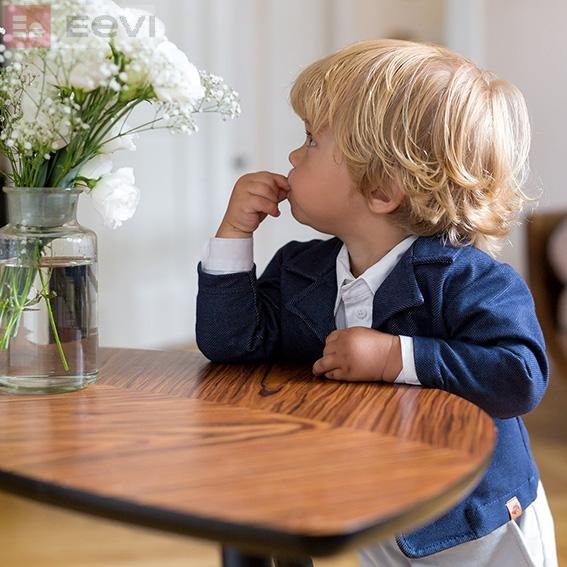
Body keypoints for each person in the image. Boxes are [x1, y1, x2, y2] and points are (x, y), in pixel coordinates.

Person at [196, 39, 558, 566]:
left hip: (476, 526)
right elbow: (230, 343)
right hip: (377, 510)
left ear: (383, 191)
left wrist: (396, 357)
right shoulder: (302, 269)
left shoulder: (471, 280)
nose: (293, 156)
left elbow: (519, 375)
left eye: (311, 141)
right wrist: (232, 236)